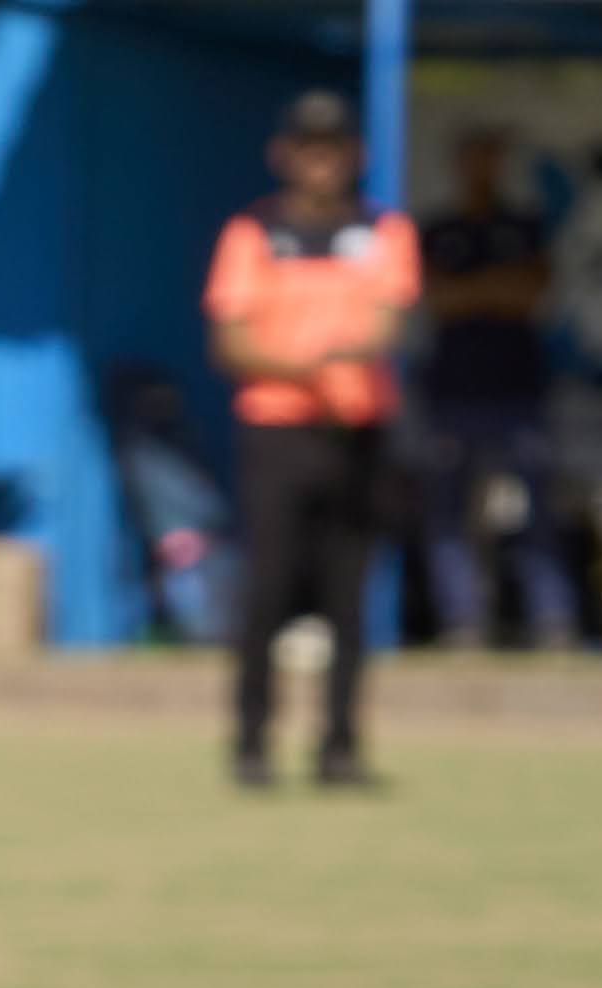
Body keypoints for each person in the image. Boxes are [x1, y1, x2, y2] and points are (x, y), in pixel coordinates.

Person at [204, 88, 417, 790]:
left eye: (333, 147)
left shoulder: (383, 231)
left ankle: (339, 746)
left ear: (356, 155)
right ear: (283, 155)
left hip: (357, 435)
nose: (320, 162)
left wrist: (342, 358)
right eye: (307, 147)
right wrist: (303, 365)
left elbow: (388, 323)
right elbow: (230, 339)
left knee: (348, 599)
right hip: (276, 434)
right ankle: (251, 743)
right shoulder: (253, 233)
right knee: (264, 592)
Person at [411, 126, 573, 650]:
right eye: (471, 158)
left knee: (538, 513)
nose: (481, 169)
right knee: (448, 514)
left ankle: (551, 622)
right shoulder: (438, 228)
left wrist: (471, 291)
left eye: (490, 158)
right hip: (453, 392)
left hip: (518, 391)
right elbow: (435, 299)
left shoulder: (525, 226)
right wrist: (492, 289)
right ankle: (464, 623)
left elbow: (532, 294)